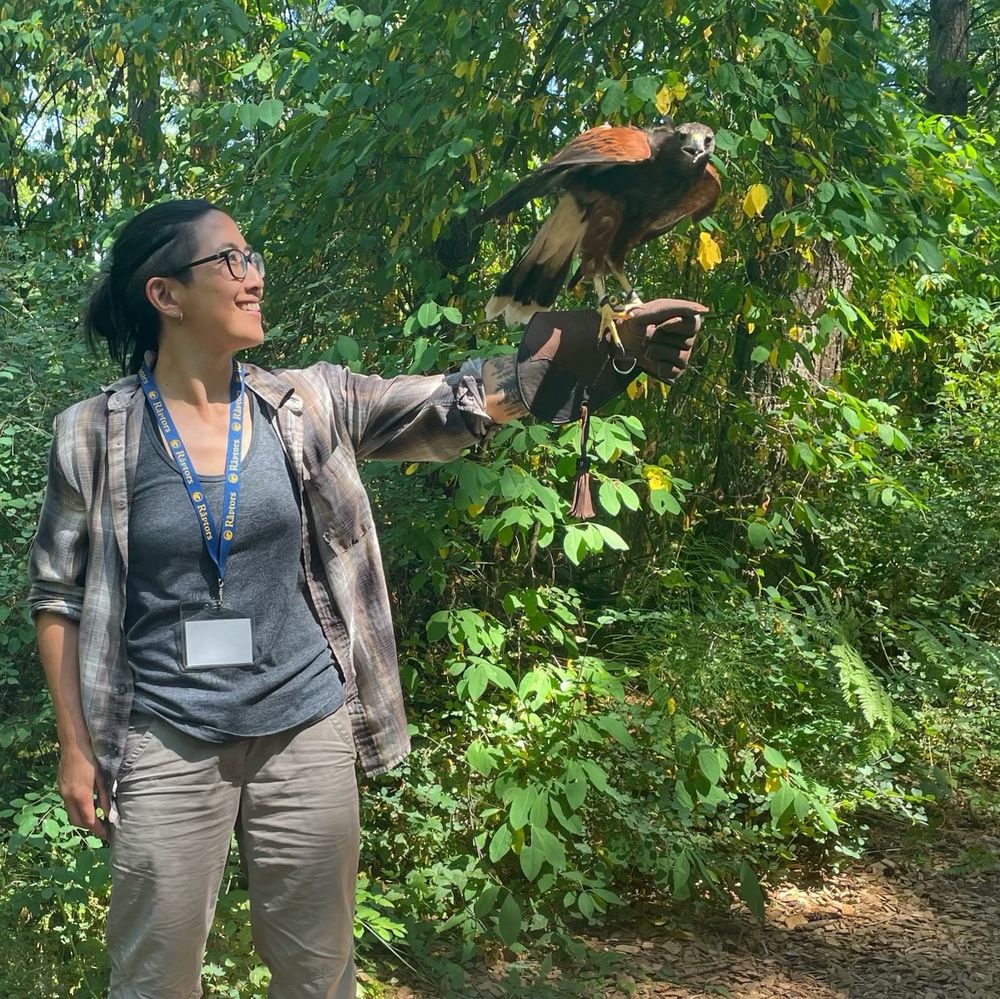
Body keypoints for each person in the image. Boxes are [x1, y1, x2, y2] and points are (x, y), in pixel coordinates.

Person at [26, 198, 705, 999]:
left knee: (319, 975)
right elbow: (58, 594)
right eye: (232, 261)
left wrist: (603, 341)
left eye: (254, 259)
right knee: (153, 978)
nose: (254, 278)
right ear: (165, 295)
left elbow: (452, 401)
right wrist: (75, 745)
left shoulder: (306, 402)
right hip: (166, 735)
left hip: (303, 725)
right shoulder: (93, 434)